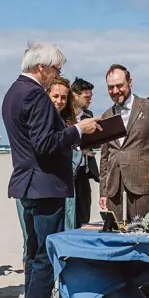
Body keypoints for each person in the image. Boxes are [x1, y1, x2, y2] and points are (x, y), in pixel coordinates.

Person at [3, 43, 100, 298]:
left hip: (30, 183)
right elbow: (45, 143)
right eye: (57, 69)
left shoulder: (13, 92)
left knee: (34, 255)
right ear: (42, 68)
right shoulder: (33, 94)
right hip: (44, 185)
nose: (58, 75)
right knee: (44, 256)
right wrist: (79, 130)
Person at [98, 65, 149, 223]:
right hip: (114, 189)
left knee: (143, 235)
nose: (115, 91)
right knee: (116, 237)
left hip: (142, 185)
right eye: (110, 87)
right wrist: (103, 191)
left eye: (119, 86)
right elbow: (105, 156)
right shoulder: (106, 115)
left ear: (130, 82)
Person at [47, 76, 84, 230]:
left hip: (65, 181)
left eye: (63, 97)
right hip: (47, 183)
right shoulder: (43, 118)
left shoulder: (68, 121)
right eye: (55, 96)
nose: (59, 101)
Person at [71, 78, 99, 227]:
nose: (90, 101)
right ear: (75, 95)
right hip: (68, 171)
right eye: (87, 97)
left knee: (84, 213)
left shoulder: (88, 114)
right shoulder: (63, 115)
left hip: (83, 171)